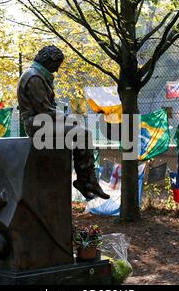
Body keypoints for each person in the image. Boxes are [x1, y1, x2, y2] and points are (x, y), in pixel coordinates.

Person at [17, 45, 110, 201]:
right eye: (56, 65)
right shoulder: (34, 77)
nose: (57, 70)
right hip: (37, 125)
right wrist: (68, 118)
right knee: (81, 133)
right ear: (48, 60)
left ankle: (86, 180)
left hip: (42, 123)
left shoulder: (38, 75)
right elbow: (45, 111)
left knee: (81, 132)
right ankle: (86, 180)